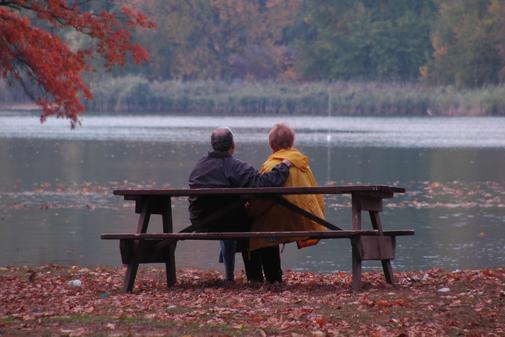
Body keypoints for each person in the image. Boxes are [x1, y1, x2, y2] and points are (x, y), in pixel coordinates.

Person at [188, 127, 292, 282]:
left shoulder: (199, 166)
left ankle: (250, 277)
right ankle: (260, 276)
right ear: (233, 146)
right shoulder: (236, 167)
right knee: (259, 223)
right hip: (232, 224)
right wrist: (283, 167)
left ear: (212, 145)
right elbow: (263, 185)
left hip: (201, 223)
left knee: (238, 220)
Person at [248, 123, 327, 283]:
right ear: (291, 143)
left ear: (272, 145)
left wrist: (249, 211)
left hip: (278, 221)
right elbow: (315, 195)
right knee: (269, 226)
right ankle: (274, 278)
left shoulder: (270, 165)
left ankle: (271, 278)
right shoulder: (304, 165)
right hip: (304, 220)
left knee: (259, 230)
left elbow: (260, 201)